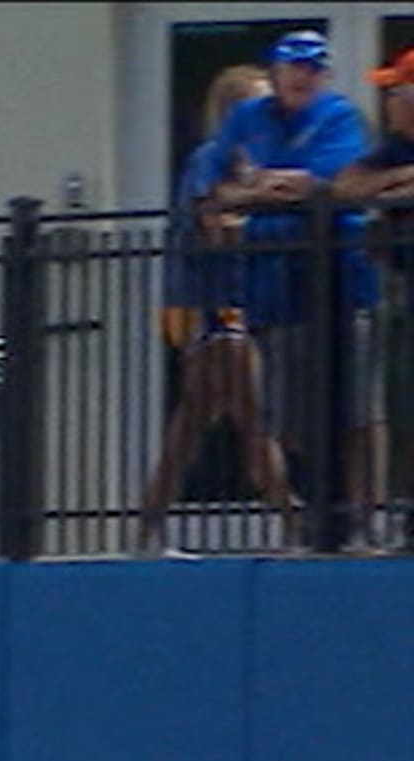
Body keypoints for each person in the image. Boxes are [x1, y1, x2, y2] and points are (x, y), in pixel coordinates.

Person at [209, 27, 378, 549]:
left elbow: (330, 184)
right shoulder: (248, 118)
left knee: (353, 415)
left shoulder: (338, 116)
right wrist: (260, 188)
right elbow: (216, 183)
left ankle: (359, 518)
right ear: (275, 71)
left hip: (340, 285)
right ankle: (314, 513)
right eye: (293, 65)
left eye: (313, 66)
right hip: (274, 289)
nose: (303, 75)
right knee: (288, 422)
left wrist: (266, 187)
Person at [142, 64, 303, 556]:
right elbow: (215, 226)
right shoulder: (211, 160)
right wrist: (267, 217)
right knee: (251, 415)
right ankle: (292, 521)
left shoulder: (251, 164)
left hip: (232, 302)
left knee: (195, 420)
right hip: (207, 305)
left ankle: (148, 530)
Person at [333, 45, 414, 540]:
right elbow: (347, 186)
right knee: (403, 404)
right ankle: (408, 513)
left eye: (397, 93)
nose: (389, 104)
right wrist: (403, 180)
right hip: (403, 293)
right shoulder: (396, 149)